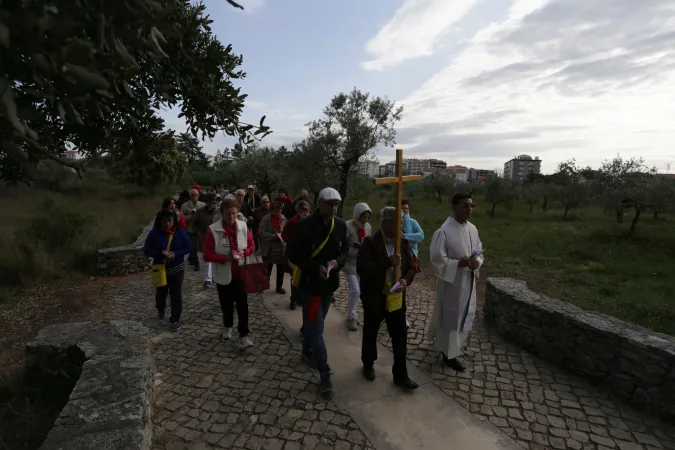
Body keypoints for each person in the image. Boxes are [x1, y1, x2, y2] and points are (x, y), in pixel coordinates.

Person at [288, 187, 349, 396]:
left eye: (336, 204)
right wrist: (315, 267)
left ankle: (306, 349)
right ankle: (324, 373)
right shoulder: (304, 226)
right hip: (311, 285)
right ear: (319, 203)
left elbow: (345, 251)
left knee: (316, 323)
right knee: (317, 329)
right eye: (330, 204)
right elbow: (293, 254)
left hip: (329, 286)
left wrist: (337, 262)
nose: (333, 208)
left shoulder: (340, 225)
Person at [357, 206, 419, 390]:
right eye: (398, 222)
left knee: (400, 335)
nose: (401, 225)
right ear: (385, 223)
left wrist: (406, 281)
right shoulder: (370, 242)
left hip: (397, 297)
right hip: (375, 297)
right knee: (371, 332)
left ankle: (401, 374)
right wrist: (387, 262)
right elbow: (363, 269)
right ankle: (368, 364)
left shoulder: (403, 242)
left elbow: (411, 267)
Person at [428, 192, 484, 372]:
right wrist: (458, 263)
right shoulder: (444, 231)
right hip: (451, 283)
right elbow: (437, 259)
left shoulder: (473, 229)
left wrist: (477, 262)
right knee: (450, 318)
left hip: (468, 281)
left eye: (471, 206)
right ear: (454, 208)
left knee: (464, 315)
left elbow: (479, 250)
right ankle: (447, 354)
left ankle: (455, 349)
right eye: (465, 206)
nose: (470, 209)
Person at [203, 198, 257, 349]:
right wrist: (224, 257)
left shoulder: (243, 226)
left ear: (238, 213)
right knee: (226, 305)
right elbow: (207, 255)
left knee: (243, 306)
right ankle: (228, 325)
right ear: (222, 213)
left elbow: (252, 245)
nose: (231, 217)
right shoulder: (213, 230)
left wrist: (244, 251)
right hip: (223, 275)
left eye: (234, 214)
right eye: (228, 214)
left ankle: (244, 335)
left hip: (241, 274)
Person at [144, 209, 192, 331]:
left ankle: (175, 318)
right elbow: (147, 250)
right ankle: (160, 308)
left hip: (177, 268)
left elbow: (189, 247)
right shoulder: (155, 233)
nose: (167, 224)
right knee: (161, 293)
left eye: (169, 221)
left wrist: (176, 253)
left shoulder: (180, 232)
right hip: (160, 268)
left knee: (176, 294)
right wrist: (160, 254)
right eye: (164, 221)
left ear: (174, 221)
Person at [343, 203, 372, 331]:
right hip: (349, 264)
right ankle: (350, 318)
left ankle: (353, 314)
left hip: (362, 265)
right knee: (355, 290)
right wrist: (354, 249)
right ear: (357, 215)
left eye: (367, 217)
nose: (365, 220)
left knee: (360, 291)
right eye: (363, 217)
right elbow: (342, 247)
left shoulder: (368, 227)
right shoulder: (347, 226)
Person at [282, 200, 311, 310]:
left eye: (306, 211)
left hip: (307, 255)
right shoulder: (292, 222)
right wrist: (294, 241)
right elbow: (284, 236)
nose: (304, 213)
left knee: (304, 277)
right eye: (302, 211)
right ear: (298, 211)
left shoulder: (311, 222)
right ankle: (293, 299)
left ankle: (300, 298)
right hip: (295, 255)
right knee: (295, 277)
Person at [401, 197, 424, 329]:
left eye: (407, 209)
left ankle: (402, 316)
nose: (405, 211)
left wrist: (406, 237)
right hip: (399, 257)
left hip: (411, 257)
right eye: (403, 209)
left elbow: (421, 236)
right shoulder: (395, 222)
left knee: (405, 286)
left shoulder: (412, 222)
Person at [259, 200, 287, 294]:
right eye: (276, 211)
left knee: (280, 269)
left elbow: (287, 231)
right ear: (271, 211)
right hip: (269, 248)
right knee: (267, 269)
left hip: (280, 248)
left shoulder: (283, 219)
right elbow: (261, 232)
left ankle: (279, 287)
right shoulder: (265, 219)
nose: (278, 213)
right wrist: (272, 236)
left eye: (280, 211)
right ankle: (263, 285)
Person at [193, 193, 218, 287]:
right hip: (204, 236)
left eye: (214, 201)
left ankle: (214, 276)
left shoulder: (219, 212)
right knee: (206, 258)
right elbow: (194, 223)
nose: (212, 203)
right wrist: (198, 232)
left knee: (215, 257)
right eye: (209, 201)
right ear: (206, 202)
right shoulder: (199, 212)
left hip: (216, 237)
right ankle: (207, 279)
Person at [180, 188, 205, 271]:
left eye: (196, 195)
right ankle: (196, 262)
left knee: (201, 247)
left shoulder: (203, 205)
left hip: (200, 230)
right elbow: (181, 218)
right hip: (190, 229)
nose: (194, 196)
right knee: (192, 247)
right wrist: (191, 215)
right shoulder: (184, 205)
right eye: (193, 195)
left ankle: (193, 258)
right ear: (190, 196)